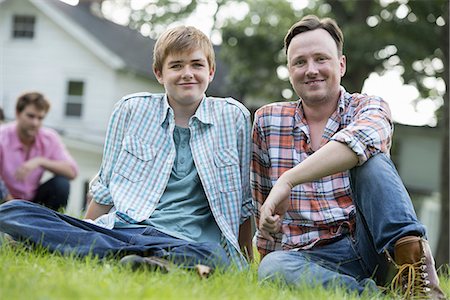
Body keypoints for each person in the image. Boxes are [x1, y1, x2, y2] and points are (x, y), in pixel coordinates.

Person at [0, 25, 253, 272]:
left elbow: (242, 202)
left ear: (211, 71)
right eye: (176, 66)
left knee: (215, 255)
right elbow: (106, 188)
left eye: (196, 64)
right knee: (12, 210)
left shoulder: (233, 117)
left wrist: (245, 261)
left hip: (186, 242)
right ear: (159, 73)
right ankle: (145, 261)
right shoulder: (131, 110)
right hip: (123, 229)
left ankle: (86, 250)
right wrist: (85, 229)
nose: (187, 73)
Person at [252, 15, 445, 298]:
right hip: (310, 256)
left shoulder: (369, 107)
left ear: (341, 64)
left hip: (372, 248)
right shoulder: (268, 121)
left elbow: (360, 142)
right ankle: (377, 296)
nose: (311, 70)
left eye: (321, 59)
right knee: (271, 269)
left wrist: (289, 179)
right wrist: (267, 228)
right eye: (300, 62)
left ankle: (418, 280)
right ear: (289, 70)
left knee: (372, 162)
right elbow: (263, 200)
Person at [0, 92, 78, 210]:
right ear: (18, 113)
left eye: (40, 118)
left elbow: (72, 171)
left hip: (33, 201)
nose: (35, 123)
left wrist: (41, 161)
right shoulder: (2, 136)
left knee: (61, 184)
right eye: (30, 116)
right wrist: (12, 205)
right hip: (5, 200)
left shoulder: (49, 138)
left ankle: (51, 226)